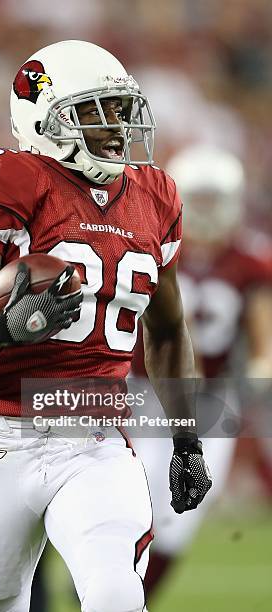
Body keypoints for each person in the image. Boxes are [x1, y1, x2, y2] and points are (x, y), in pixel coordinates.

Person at [0, 40, 212, 612]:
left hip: (95, 438)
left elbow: (166, 328)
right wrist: (4, 326)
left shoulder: (155, 195)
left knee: (113, 595)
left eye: (120, 109)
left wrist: (187, 437)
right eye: (93, 111)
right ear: (42, 116)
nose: (116, 127)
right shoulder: (6, 180)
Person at [132, 144, 272, 599]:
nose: (209, 212)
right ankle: (111, 589)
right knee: (140, 499)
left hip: (211, 398)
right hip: (146, 390)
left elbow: (262, 331)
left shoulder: (249, 261)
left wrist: (262, 364)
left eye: (216, 199)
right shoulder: (150, 247)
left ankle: (131, 596)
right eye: (201, 200)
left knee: (186, 510)